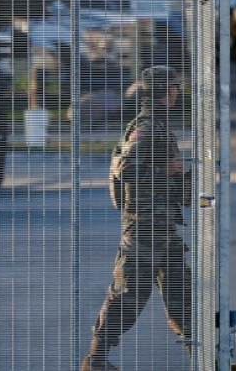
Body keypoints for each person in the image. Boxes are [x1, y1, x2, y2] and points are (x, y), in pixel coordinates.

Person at [82, 65, 193, 371]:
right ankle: (95, 361)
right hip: (143, 227)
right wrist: (167, 171)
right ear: (165, 92)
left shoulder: (158, 124)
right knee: (127, 297)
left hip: (162, 227)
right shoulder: (144, 126)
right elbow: (126, 170)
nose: (176, 94)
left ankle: (204, 355)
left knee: (182, 296)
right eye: (174, 88)